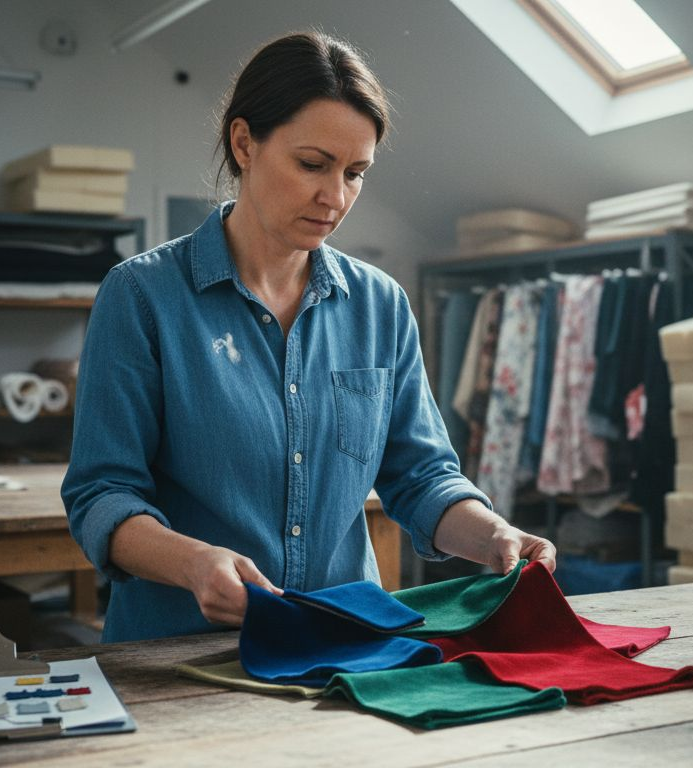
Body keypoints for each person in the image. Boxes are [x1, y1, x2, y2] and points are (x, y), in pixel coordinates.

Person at [62, 31, 556, 643]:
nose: (335, 197)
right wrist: (192, 563)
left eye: (355, 173)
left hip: (344, 645)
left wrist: (493, 535)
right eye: (312, 165)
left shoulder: (380, 306)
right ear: (244, 143)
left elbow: (422, 476)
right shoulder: (142, 296)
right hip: (178, 650)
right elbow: (101, 494)